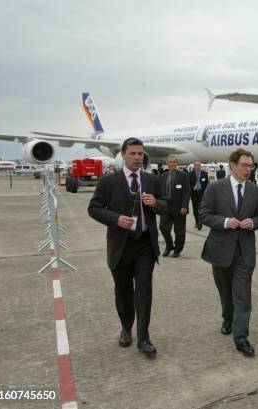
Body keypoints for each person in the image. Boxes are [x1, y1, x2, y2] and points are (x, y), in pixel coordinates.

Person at [88, 137, 168, 357]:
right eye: (133, 154)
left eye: (140, 154)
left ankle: (144, 338)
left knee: (144, 292)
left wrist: (156, 203)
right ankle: (126, 327)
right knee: (123, 291)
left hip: (144, 244)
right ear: (123, 154)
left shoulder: (152, 180)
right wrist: (115, 219)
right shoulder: (109, 181)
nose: (137, 158)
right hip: (121, 245)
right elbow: (94, 208)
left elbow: (166, 205)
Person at [200, 148, 258, 357]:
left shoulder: (256, 191)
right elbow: (204, 214)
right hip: (220, 250)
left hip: (244, 252)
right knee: (225, 292)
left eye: (250, 165)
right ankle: (227, 318)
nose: (248, 169)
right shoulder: (216, 188)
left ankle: (241, 338)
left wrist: (253, 222)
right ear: (232, 166)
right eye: (244, 165)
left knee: (242, 296)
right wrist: (225, 221)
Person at [158, 155, 190, 258]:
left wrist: (184, 206)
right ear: (167, 163)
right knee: (163, 227)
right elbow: (159, 191)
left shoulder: (183, 175)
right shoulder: (163, 175)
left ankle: (178, 249)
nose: (172, 164)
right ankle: (169, 245)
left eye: (174, 162)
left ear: (177, 163)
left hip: (179, 207)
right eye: (170, 162)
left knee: (179, 230)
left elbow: (186, 192)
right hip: (165, 206)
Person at [188, 160, 209, 230]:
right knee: (195, 208)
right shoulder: (190, 174)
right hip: (193, 193)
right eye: (196, 165)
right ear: (194, 166)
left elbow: (207, 184)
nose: (197, 166)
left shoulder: (204, 174)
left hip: (202, 193)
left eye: (198, 165)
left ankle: (200, 223)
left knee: (200, 208)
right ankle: (197, 222)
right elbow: (189, 184)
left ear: (200, 166)